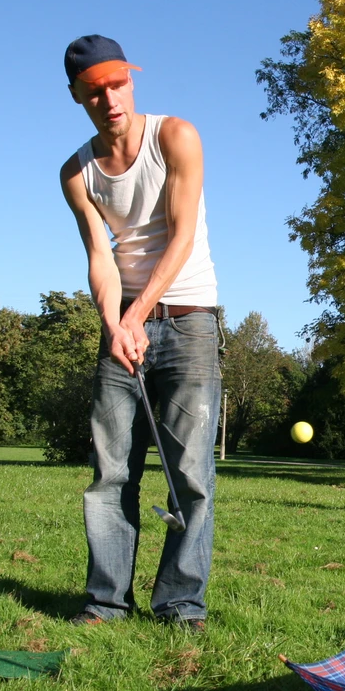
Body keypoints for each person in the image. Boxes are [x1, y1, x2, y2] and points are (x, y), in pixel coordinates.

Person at [59, 35, 221, 631]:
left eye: (117, 84)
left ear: (132, 80)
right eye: (94, 91)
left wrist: (137, 315)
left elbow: (181, 237)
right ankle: (105, 603)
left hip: (189, 321)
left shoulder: (176, 136)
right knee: (111, 473)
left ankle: (181, 605)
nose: (109, 100)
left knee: (191, 476)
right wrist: (115, 324)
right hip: (122, 324)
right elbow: (100, 258)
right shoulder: (76, 173)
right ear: (76, 96)